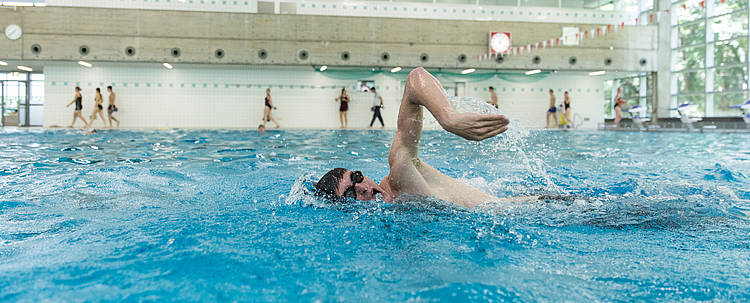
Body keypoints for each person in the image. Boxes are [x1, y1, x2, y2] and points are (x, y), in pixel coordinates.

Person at [314, 67, 510, 208]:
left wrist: (448, 118)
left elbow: (415, 78)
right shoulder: (396, 207)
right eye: (350, 194)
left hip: (529, 209)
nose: (363, 188)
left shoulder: (400, 175)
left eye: (356, 177)